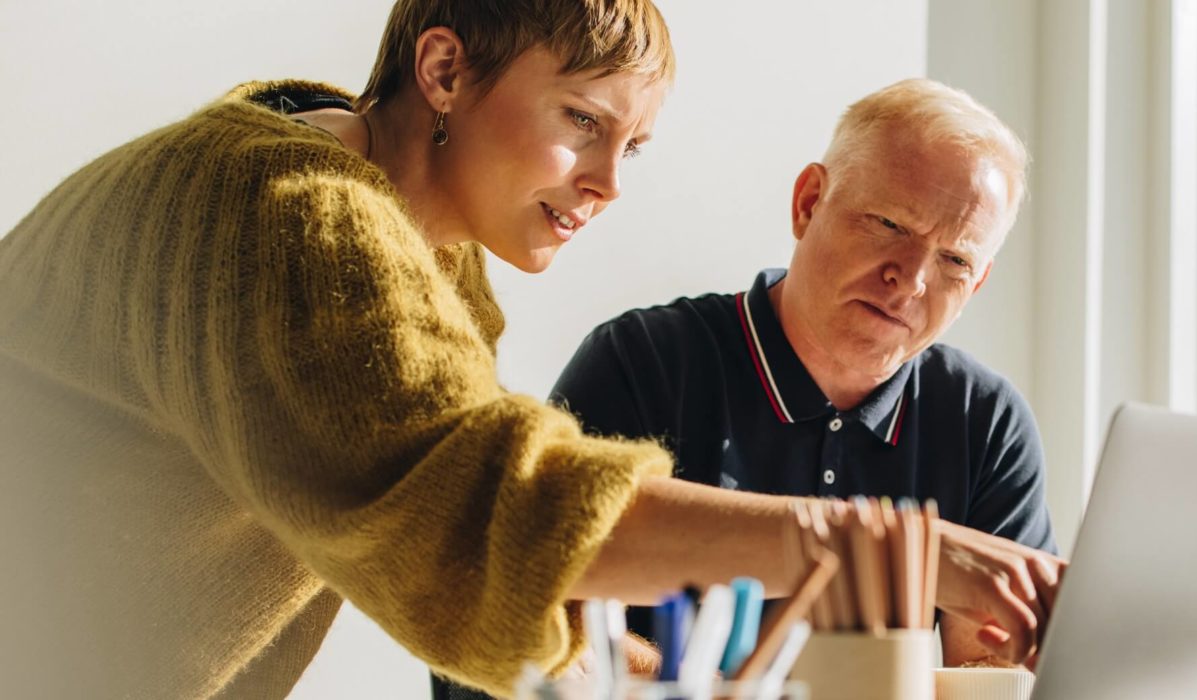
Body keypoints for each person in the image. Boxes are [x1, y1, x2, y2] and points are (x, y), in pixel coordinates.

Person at [0, 2, 1061, 698]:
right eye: (582, 121)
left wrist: (643, 674)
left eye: (630, 146)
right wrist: (876, 546)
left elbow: (454, 562)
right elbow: (495, 510)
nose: (607, 182)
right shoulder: (297, 216)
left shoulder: (414, 247)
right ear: (447, 69)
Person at [553, 78, 1054, 667]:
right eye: (891, 224)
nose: (912, 279)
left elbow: (992, 671)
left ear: (978, 282)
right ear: (808, 202)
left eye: (954, 260)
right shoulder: (644, 362)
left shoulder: (986, 422)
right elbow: (536, 607)